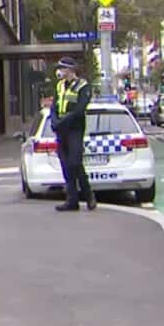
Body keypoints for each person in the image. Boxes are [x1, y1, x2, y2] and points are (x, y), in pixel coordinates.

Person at [51, 56, 95, 212]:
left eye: (62, 68)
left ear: (69, 70)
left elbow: (79, 109)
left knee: (75, 163)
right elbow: (54, 106)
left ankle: (88, 195)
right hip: (62, 131)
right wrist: (54, 121)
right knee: (65, 165)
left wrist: (62, 121)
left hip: (75, 129)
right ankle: (72, 200)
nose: (59, 71)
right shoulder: (59, 86)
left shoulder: (83, 86)